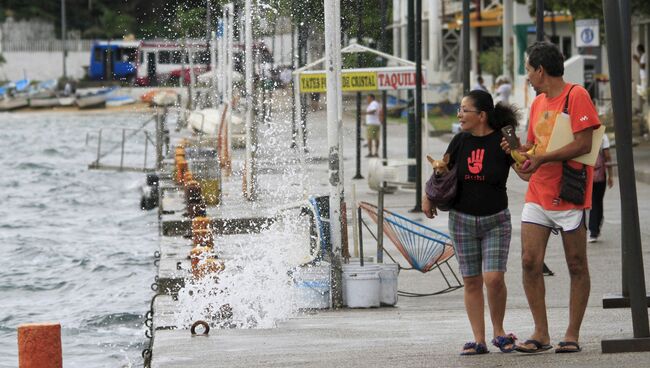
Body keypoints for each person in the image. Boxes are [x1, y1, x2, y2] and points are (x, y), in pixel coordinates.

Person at [502, 41, 600, 354]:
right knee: (530, 261)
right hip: (538, 192)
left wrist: (544, 158)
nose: (527, 77)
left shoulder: (577, 95)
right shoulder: (537, 104)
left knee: (576, 264)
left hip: (569, 192)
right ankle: (540, 332)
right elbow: (533, 149)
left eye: (528, 70)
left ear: (540, 70)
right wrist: (518, 155)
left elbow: (584, 144)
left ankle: (571, 333)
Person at [423, 90, 528, 355]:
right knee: (471, 281)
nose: (459, 114)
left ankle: (500, 332)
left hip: (496, 220)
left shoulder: (505, 138)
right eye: (459, 110)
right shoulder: (459, 141)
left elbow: (526, 173)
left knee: (493, 278)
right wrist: (428, 196)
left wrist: (518, 149)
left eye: (464, 110)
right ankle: (479, 340)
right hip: (462, 221)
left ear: (481, 115)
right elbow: (442, 172)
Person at [587, 134, 614, 243]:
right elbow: (607, 156)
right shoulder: (603, 136)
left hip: (587, 175)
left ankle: (593, 231)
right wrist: (610, 175)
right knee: (598, 201)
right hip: (600, 175)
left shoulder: (583, 133)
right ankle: (596, 225)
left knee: (593, 202)